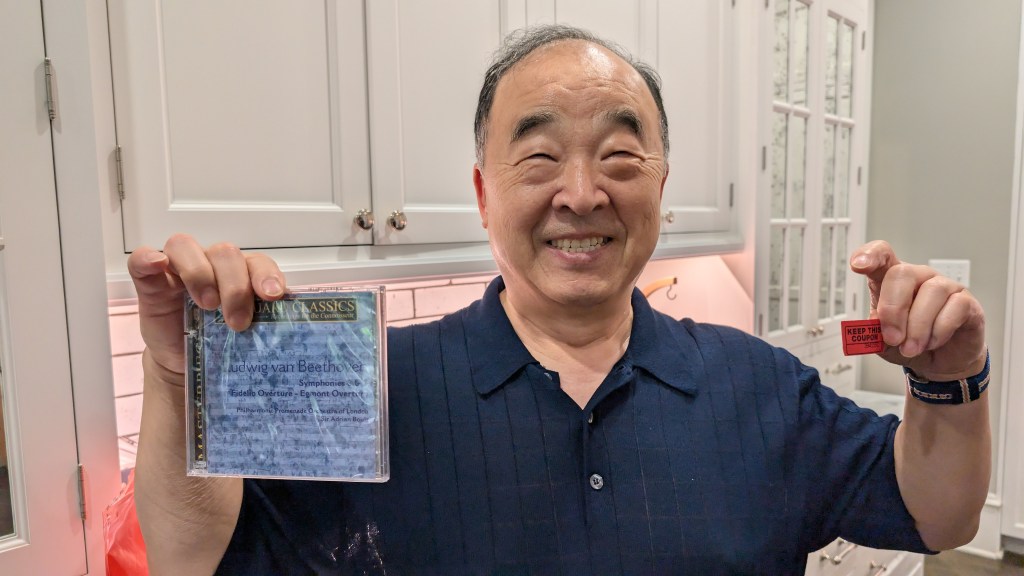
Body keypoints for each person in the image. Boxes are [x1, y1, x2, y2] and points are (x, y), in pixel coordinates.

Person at [130, 25, 991, 575]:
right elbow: (193, 557)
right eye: (540, 159)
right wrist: (175, 377)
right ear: (483, 194)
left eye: (619, 157)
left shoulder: (759, 386)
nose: (581, 194)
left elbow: (937, 514)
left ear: (661, 187)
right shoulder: (370, 391)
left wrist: (949, 382)